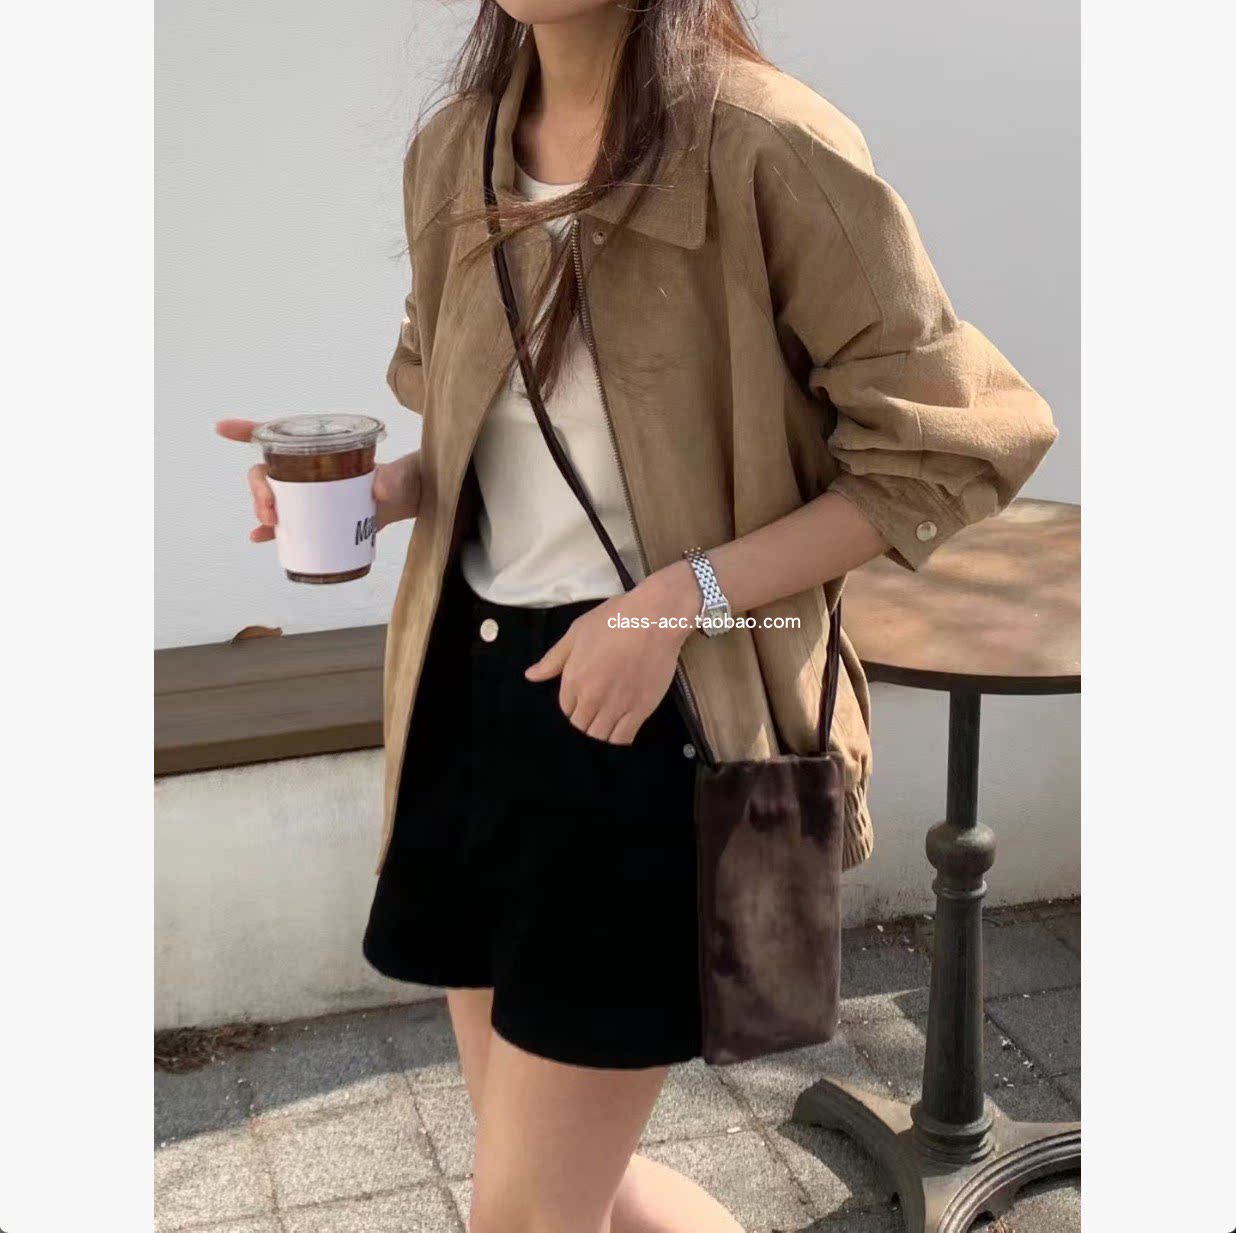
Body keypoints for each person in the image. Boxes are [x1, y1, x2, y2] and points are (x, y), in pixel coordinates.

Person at [219, 1, 1056, 1228]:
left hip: (651, 727)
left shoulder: (768, 146)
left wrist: (675, 604)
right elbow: (479, 428)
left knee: (525, 1210)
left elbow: (954, 446)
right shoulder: (458, 146)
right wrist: (379, 492)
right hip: (470, 699)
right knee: (565, 1178)